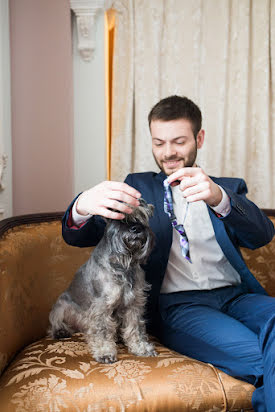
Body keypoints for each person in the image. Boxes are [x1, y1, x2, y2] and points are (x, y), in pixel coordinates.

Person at [62, 95, 275, 412]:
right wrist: (82, 205)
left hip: (238, 297)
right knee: (260, 359)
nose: (168, 152)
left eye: (178, 141)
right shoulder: (139, 187)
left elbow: (262, 235)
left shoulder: (227, 187)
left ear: (198, 138)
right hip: (182, 306)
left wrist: (219, 198)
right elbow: (78, 236)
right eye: (159, 142)